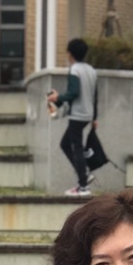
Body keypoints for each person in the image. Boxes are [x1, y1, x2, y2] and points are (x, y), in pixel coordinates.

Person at [47, 37, 98, 199]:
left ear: (70, 53)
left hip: (77, 114)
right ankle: (84, 173)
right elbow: (95, 95)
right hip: (87, 114)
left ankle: (83, 186)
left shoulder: (75, 70)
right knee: (66, 144)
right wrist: (95, 117)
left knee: (76, 147)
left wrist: (57, 97)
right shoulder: (91, 70)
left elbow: (74, 92)